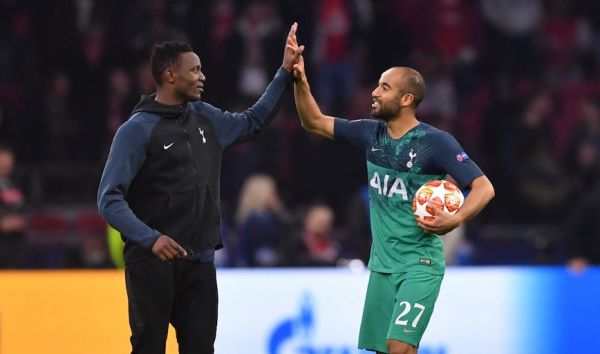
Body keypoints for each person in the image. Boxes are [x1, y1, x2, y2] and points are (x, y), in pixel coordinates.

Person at [97, 23, 304, 354]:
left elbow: (252, 123)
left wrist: (283, 72)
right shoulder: (135, 131)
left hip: (200, 261)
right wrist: (150, 238)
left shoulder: (205, 117)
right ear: (170, 75)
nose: (202, 76)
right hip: (152, 262)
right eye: (194, 70)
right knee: (149, 347)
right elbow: (108, 199)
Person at [291, 56, 495, 353]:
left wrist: (456, 218)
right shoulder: (369, 133)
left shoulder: (435, 142)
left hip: (419, 264)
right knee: (383, 351)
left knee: (399, 347)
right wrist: (300, 80)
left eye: (384, 87)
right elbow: (314, 121)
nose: (375, 92)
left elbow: (483, 187)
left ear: (406, 99)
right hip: (382, 266)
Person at [0, 145, 27, 268]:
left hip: (15, 246)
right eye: (3, 160)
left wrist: (22, 220)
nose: (6, 164)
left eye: (9, 160)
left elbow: (24, 208)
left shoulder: (15, 183)